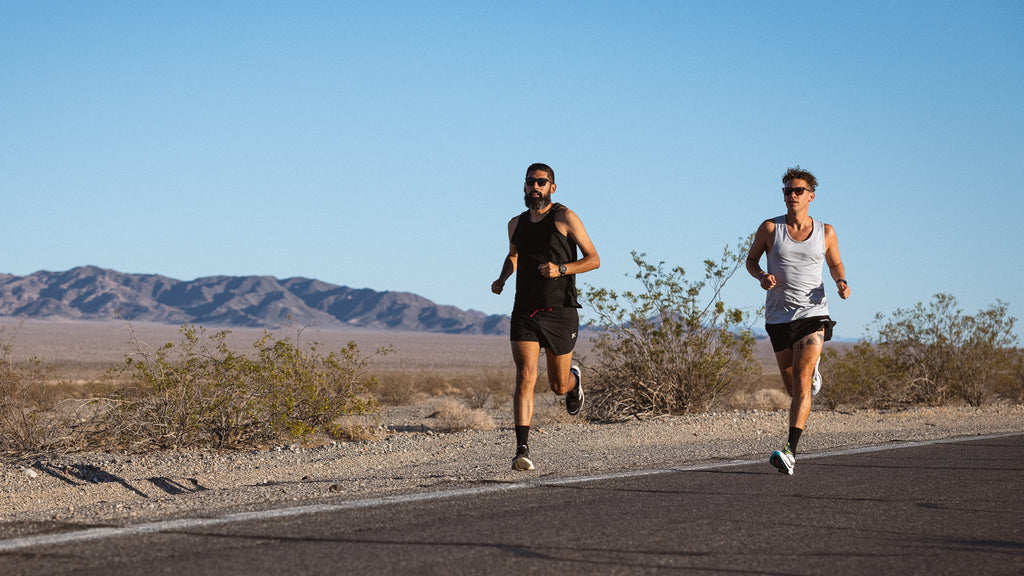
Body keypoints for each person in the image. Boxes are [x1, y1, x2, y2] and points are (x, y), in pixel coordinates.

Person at [491, 163, 600, 471]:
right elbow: (513, 255)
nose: (534, 187)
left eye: (541, 182)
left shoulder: (565, 217)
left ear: (552, 187)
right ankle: (522, 449)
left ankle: (574, 379)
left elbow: (594, 259)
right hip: (524, 310)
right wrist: (502, 278)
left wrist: (561, 269)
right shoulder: (516, 223)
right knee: (525, 375)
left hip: (560, 312)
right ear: (524, 187)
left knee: (556, 385)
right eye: (530, 182)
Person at [745, 166, 850, 475]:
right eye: (787, 191)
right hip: (778, 316)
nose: (791, 195)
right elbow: (751, 261)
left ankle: (790, 451)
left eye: (797, 191)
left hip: (812, 314)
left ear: (811, 196)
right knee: (794, 388)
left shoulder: (825, 231)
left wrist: (841, 282)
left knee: (802, 382)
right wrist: (762, 275)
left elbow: (836, 262)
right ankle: (812, 372)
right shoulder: (769, 228)